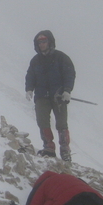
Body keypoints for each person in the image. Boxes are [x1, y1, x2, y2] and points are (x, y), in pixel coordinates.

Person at [25, 30, 76, 161]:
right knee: (42, 121)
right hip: (41, 96)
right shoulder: (35, 61)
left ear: (49, 42)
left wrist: (67, 90)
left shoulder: (61, 58)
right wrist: (29, 89)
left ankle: (65, 150)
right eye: (39, 42)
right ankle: (49, 147)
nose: (42, 44)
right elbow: (30, 76)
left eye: (44, 41)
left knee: (61, 123)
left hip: (58, 96)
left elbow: (69, 74)